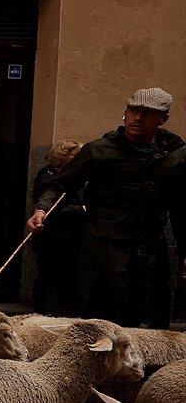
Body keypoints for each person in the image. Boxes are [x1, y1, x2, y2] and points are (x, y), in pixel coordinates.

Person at [28, 88, 185, 327]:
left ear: (162, 120)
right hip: (103, 245)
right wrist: (41, 210)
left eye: (146, 113)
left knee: (150, 319)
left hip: (151, 248)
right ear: (125, 113)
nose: (137, 118)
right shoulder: (100, 150)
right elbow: (61, 184)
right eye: (133, 111)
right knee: (101, 316)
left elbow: (181, 207)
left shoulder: (174, 156)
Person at [29, 139, 85, 316]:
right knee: (49, 278)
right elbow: (50, 207)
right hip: (52, 237)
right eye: (77, 155)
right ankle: (45, 314)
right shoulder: (48, 177)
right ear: (64, 156)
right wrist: (82, 210)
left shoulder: (74, 176)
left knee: (66, 279)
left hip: (70, 238)